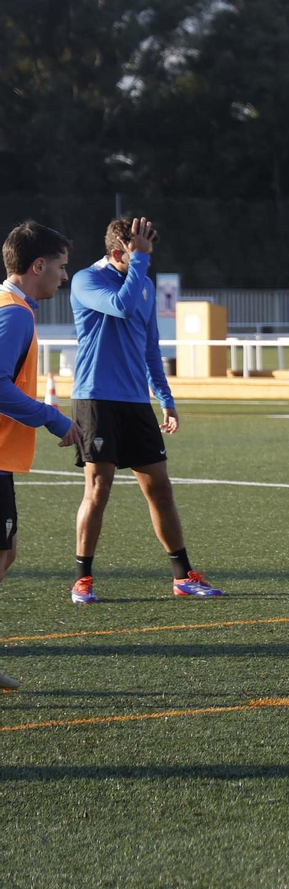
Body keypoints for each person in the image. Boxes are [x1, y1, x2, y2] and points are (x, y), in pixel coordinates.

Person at [69, 217, 222, 604]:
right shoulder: (87, 280)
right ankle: (82, 578)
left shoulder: (145, 284)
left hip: (136, 402)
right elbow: (119, 307)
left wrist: (166, 399)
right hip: (96, 399)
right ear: (118, 253)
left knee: (160, 488)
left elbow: (150, 347)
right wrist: (139, 263)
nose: (145, 262)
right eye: (139, 255)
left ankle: (182, 574)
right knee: (98, 488)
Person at [0, 221, 88, 692]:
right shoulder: (14, 313)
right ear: (38, 266)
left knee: (6, 551)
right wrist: (52, 418)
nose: (64, 276)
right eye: (60, 266)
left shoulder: (9, 307)